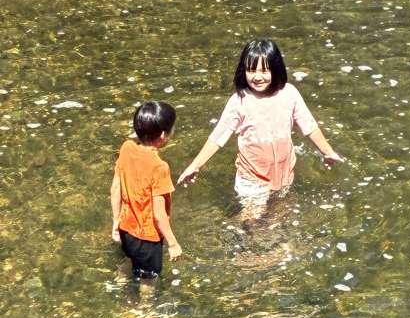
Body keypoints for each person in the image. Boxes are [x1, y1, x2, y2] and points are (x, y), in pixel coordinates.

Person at [177, 39, 343, 211]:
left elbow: (309, 127)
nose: (257, 77)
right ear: (243, 70)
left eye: (264, 71)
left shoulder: (289, 94)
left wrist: (328, 152)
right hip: (252, 179)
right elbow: (217, 138)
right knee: (253, 219)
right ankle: (235, 228)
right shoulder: (240, 101)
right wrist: (194, 166)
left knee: (280, 214)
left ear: (276, 69)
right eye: (251, 70)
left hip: (285, 174)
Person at [111, 101, 182, 282]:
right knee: (148, 279)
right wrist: (173, 243)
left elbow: (115, 188)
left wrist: (115, 221)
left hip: (125, 229)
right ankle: (145, 301)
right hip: (148, 239)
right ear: (163, 135)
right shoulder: (159, 167)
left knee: (130, 260)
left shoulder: (126, 148)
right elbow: (159, 214)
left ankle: (118, 283)